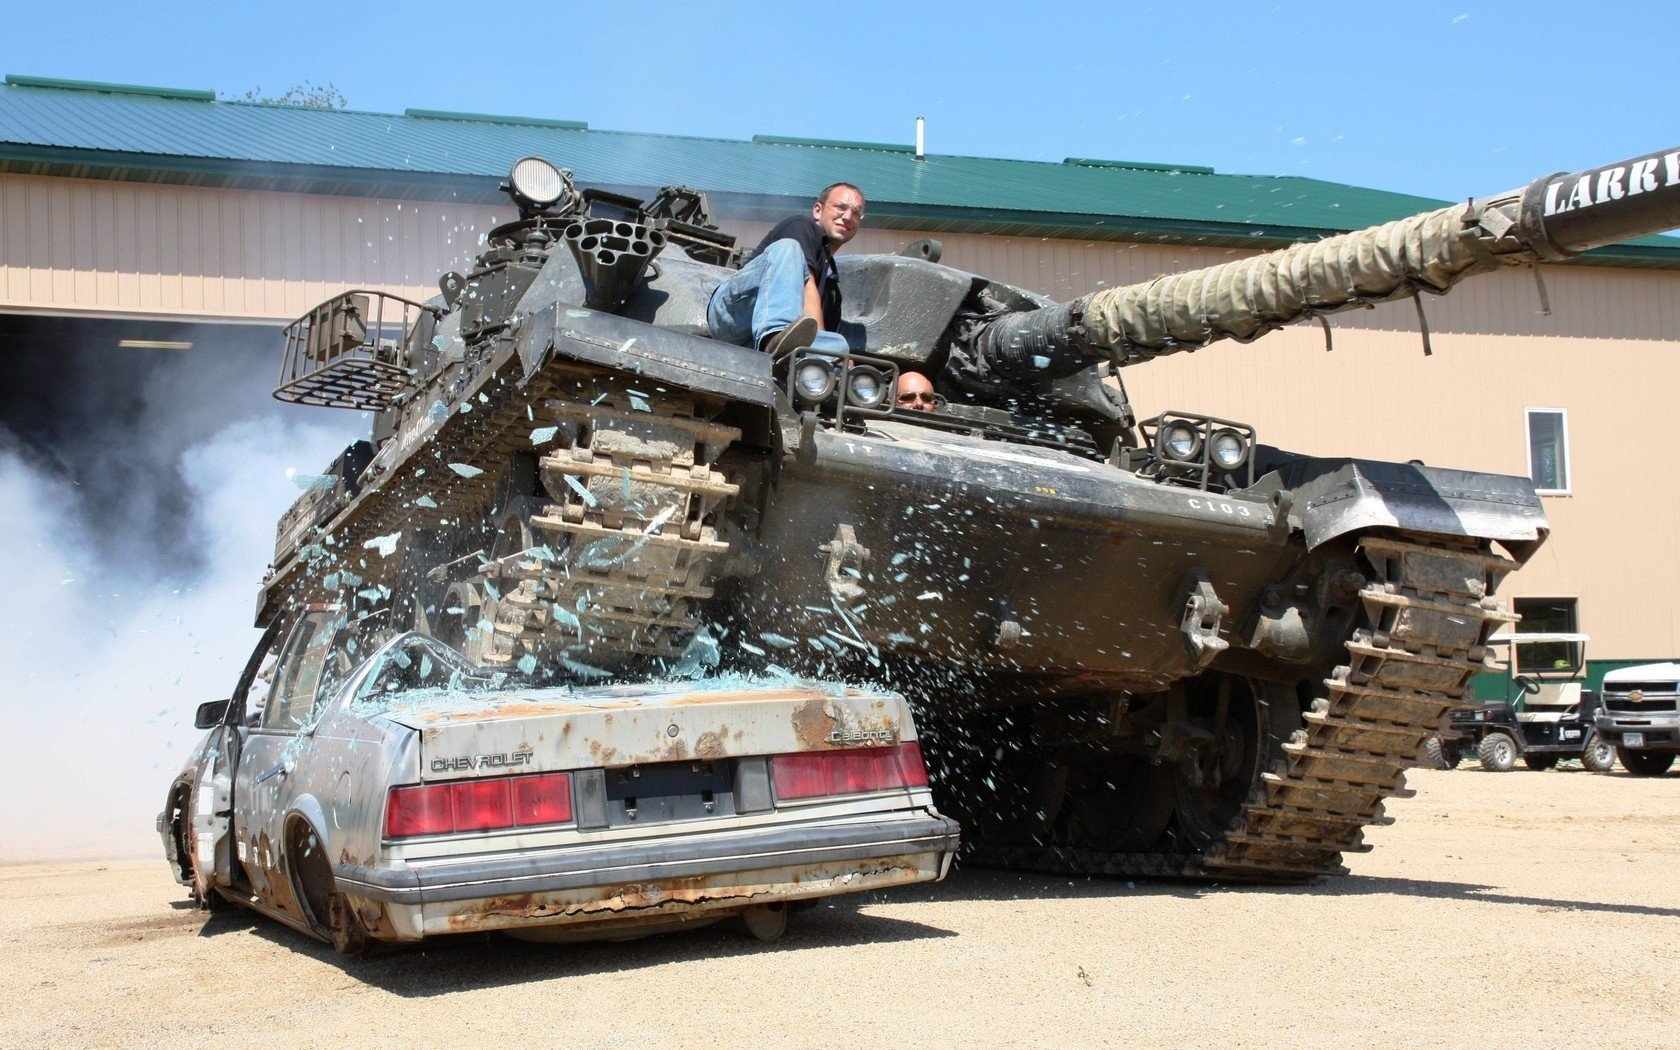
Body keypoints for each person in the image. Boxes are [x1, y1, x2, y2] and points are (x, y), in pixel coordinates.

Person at [708, 183, 865, 356]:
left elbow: (827, 336)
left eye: (856, 213)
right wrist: (823, 353)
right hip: (733, 314)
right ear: (818, 210)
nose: (848, 216)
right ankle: (776, 336)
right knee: (789, 248)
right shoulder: (801, 227)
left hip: (752, 344)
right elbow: (806, 286)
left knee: (840, 347)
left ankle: (783, 346)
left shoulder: (832, 288)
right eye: (840, 207)